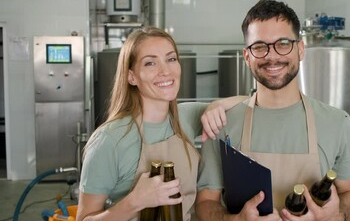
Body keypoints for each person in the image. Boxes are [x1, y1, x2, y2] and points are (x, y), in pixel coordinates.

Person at [196, 0, 350, 221]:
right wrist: (233, 220)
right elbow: (206, 203)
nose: (272, 56)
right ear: (247, 56)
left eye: (283, 43)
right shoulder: (220, 124)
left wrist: (337, 215)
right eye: (259, 47)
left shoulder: (338, 123)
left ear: (300, 49)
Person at [76, 27, 241, 221]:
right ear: (131, 77)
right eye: (150, 63)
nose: (165, 71)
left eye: (171, 59)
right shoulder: (109, 140)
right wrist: (135, 202)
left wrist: (217, 104)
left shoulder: (185, 117)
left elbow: (249, 102)